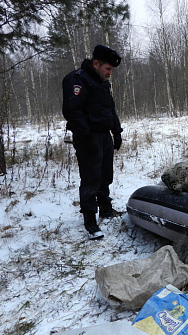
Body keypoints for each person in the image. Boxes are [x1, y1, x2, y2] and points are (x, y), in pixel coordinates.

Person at [62, 44, 123, 239]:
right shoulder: (77, 80)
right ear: (96, 64)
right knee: (91, 178)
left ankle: (105, 208)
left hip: (104, 135)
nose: (110, 73)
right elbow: (73, 112)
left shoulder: (102, 82)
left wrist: (116, 131)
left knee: (105, 175)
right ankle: (90, 218)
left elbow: (109, 108)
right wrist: (87, 138)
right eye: (108, 69)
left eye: (111, 70)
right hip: (88, 136)